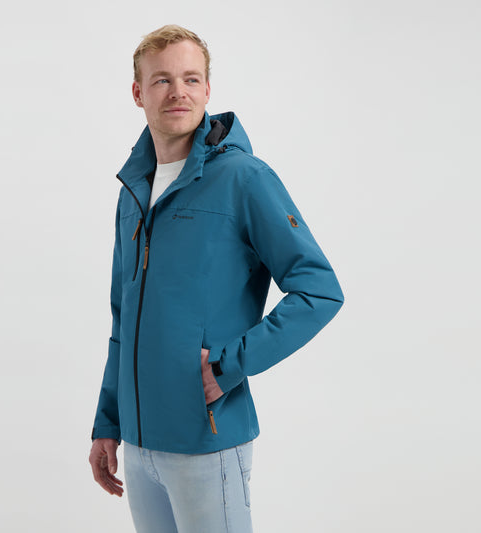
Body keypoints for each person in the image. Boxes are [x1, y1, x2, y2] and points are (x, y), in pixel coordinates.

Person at [89, 24, 344, 533]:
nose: (178, 92)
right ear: (138, 93)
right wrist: (108, 422)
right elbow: (124, 320)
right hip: (138, 447)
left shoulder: (244, 179)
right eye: (162, 80)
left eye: (191, 79)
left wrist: (228, 366)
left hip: (207, 442)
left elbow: (319, 291)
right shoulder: (132, 192)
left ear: (208, 90)